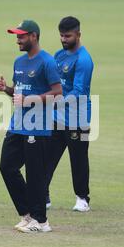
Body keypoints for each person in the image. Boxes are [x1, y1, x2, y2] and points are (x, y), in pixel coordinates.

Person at [0, 20, 62, 233]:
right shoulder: (19, 62)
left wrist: (31, 99)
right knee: (7, 166)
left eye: (21, 36)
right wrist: (6, 88)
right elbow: (19, 91)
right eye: (17, 36)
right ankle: (27, 214)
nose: (18, 40)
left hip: (38, 127)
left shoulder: (47, 61)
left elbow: (57, 92)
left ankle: (41, 222)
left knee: (35, 176)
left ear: (33, 36)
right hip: (17, 125)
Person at [46, 16, 94, 212]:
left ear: (78, 35)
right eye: (61, 36)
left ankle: (82, 198)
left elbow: (79, 91)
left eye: (68, 36)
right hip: (57, 118)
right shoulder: (59, 55)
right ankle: (43, 195)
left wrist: (56, 103)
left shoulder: (84, 60)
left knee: (78, 158)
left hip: (78, 118)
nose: (64, 39)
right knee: (47, 157)